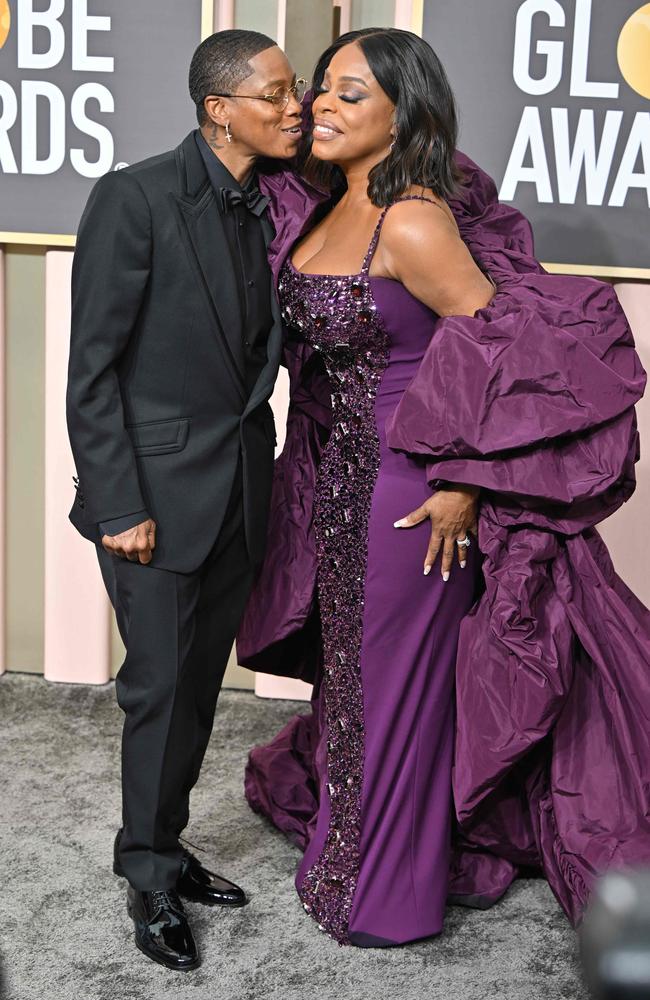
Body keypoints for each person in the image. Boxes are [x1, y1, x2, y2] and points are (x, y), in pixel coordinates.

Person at [236, 28, 650, 947]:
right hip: (329, 483)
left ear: (402, 115)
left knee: (395, 689)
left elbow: (504, 350)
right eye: (323, 89)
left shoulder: (412, 219)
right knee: (350, 682)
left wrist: (467, 480)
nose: (324, 107)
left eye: (352, 95)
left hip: (406, 494)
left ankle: (387, 894)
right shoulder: (327, 201)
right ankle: (351, 849)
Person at [65, 29, 306, 971]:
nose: (297, 109)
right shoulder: (135, 197)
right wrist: (118, 501)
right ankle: (149, 874)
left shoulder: (277, 202)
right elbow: (93, 371)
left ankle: (165, 841)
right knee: (159, 692)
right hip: (152, 499)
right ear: (219, 108)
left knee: (197, 692)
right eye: (278, 94)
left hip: (240, 487)